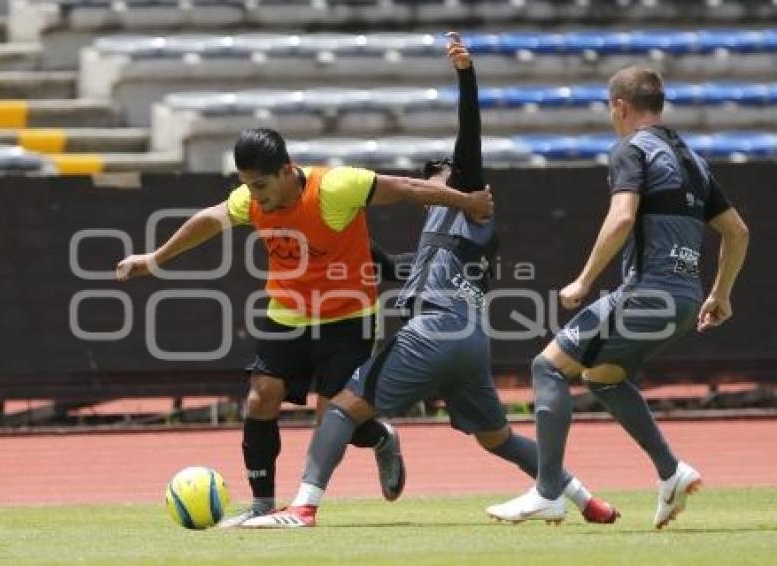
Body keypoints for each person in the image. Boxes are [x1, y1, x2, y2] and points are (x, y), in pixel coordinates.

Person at [243, 33, 619, 529]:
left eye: (439, 172)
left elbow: (469, 141)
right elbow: (387, 267)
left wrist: (466, 75)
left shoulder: (469, 204)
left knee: (338, 411)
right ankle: (589, 501)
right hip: (469, 343)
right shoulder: (442, 237)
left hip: (435, 332)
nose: (433, 177)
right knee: (498, 438)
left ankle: (303, 508)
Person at [116, 126, 493, 526]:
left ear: (285, 170)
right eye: (247, 185)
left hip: (348, 319)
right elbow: (209, 220)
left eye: (260, 184)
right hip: (288, 314)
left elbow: (403, 188)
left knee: (333, 421)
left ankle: (381, 437)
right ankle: (262, 505)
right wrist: (155, 258)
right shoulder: (252, 199)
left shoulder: (335, 187)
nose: (254, 195)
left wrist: (465, 201)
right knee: (262, 397)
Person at [487, 65, 749, 528]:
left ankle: (548, 492)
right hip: (686, 300)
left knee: (547, 366)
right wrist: (721, 295)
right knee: (604, 377)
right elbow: (738, 231)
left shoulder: (632, 150)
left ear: (620, 107)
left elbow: (623, 217)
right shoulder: (693, 159)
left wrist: (584, 280)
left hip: (648, 293)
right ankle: (671, 472)